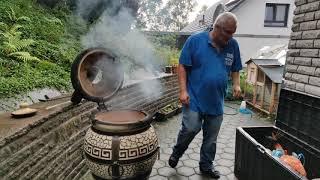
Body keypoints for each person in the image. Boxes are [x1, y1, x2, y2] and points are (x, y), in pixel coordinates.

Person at [168, 12, 242, 179]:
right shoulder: (195, 41)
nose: (230, 37)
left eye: (233, 33)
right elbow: (182, 66)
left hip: (216, 102)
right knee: (190, 129)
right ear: (217, 28)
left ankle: (206, 166)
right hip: (193, 98)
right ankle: (177, 152)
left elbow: (236, 68)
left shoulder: (232, 45)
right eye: (228, 32)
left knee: (211, 139)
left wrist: (236, 84)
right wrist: (182, 90)